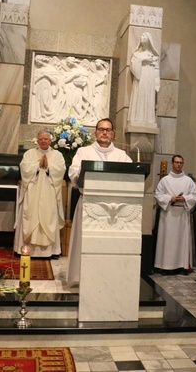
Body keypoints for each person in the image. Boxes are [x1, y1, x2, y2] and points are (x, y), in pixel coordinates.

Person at [66, 118, 132, 286]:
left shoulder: (121, 155)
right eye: (101, 129)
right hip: (89, 204)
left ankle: (109, 276)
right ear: (95, 132)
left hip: (114, 210)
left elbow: (131, 176)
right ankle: (82, 277)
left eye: (108, 130)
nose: (104, 132)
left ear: (113, 134)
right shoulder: (83, 152)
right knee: (84, 242)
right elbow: (73, 173)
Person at [14, 130, 66, 258]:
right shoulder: (29, 154)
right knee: (31, 215)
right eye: (41, 139)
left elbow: (61, 170)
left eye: (46, 139)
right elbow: (24, 169)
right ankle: (25, 249)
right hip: (32, 191)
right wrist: (37, 166)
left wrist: (49, 167)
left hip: (49, 192)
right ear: (37, 141)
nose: (43, 141)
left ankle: (50, 252)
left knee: (48, 215)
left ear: (50, 140)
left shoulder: (57, 155)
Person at [154, 155, 196, 274]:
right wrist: (170, 198)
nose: (179, 165)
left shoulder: (188, 180)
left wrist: (184, 198)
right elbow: (158, 195)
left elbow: (195, 195)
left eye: (181, 163)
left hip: (182, 213)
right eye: (177, 162)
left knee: (181, 240)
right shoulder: (165, 180)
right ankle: (165, 266)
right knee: (168, 240)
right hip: (168, 213)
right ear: (172, 163)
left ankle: (181, 265)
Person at [128, 32, 160, 126]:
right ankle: (137, 117)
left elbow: (156, 69)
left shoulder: (153, 55)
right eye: (141, 35)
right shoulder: (137, 54)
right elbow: (133, 67)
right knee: (140, 93)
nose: (142, 37)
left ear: (149, 39)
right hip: (140, 77)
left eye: (145, 36)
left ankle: (148, 119)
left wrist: (157, 81)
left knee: (149, 95)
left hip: (149, 77)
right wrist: (142, 60)